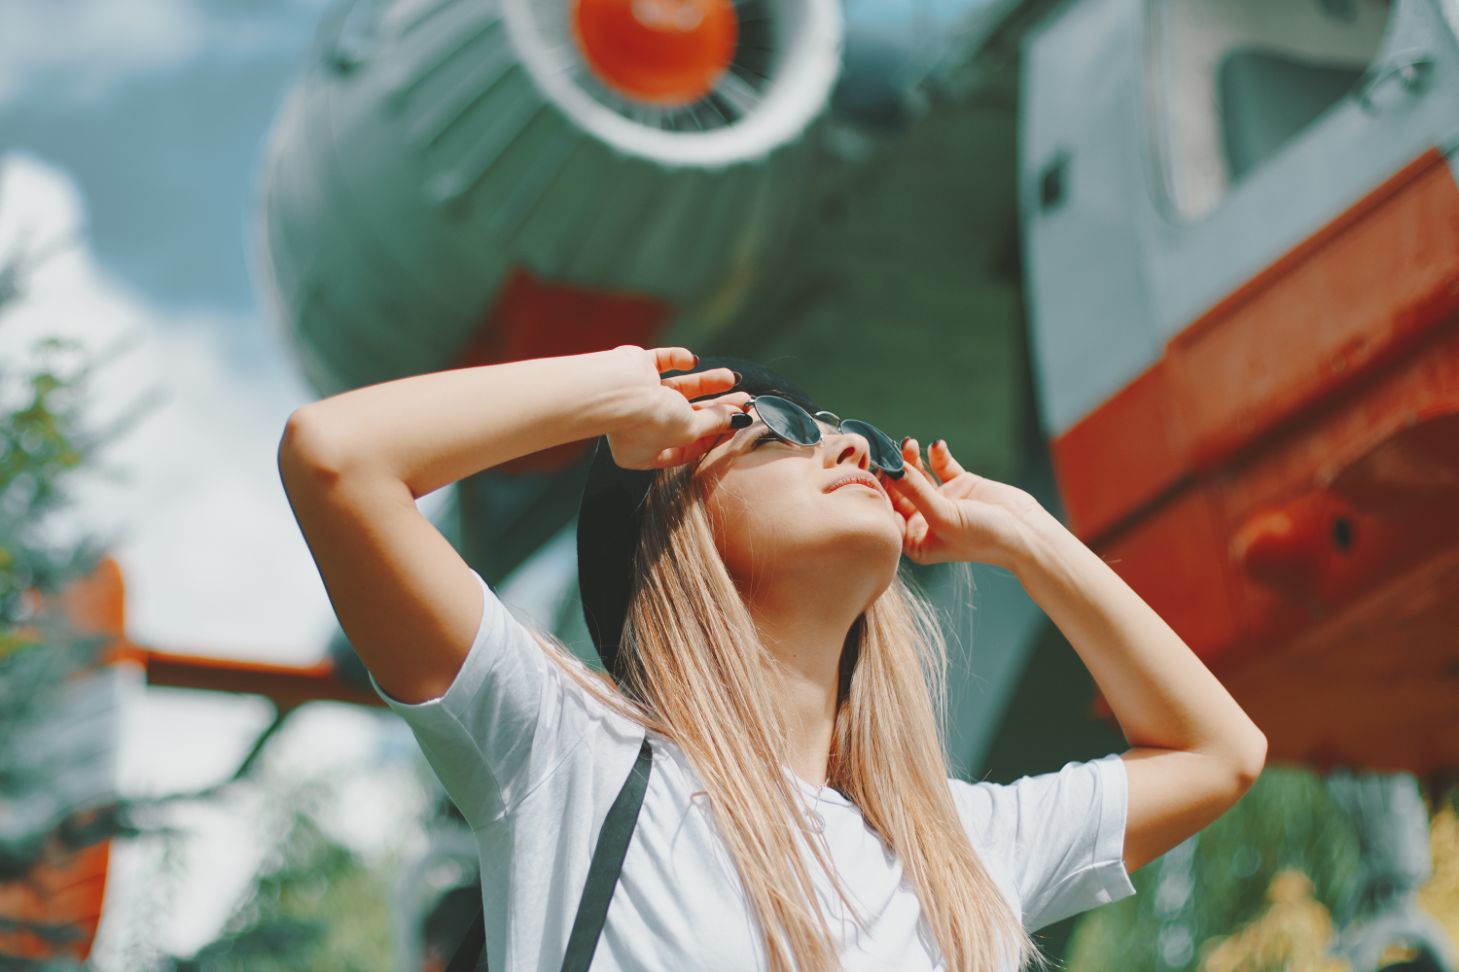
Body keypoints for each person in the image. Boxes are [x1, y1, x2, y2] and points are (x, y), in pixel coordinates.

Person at [277, 345, 1269, 971]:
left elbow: (1218, 752)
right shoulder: (567, 756)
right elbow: (335, 458)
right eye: (782, 431)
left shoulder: (960, 849)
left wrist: (1033, 540)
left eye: (866, 445)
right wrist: (615, 385)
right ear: (677, 525)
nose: (851, 453)